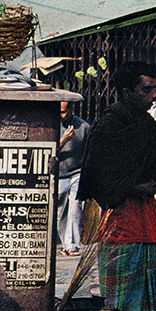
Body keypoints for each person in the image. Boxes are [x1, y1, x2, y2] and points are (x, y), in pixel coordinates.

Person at [78, 61, 156, 311]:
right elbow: (97, 176)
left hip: (146, 222)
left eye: (155, 89)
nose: (153, 95)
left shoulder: (148, 124)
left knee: (148, 289)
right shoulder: (109, 125)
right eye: (146, 89)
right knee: (124, 298)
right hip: (119, 224)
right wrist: (135, 187)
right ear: (126, 92)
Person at [57, 101, 91, 256]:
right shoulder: (53, 126)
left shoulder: (83, 127)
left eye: (64, 112)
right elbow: (49, 150)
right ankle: (65, 243)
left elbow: (90, 151)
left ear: (71, 109)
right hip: (60, 173)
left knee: (75, 206)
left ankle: (73, 245)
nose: (62, 116)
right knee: (61, 210)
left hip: (77, 172)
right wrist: (63, 140)